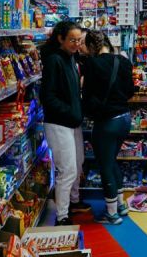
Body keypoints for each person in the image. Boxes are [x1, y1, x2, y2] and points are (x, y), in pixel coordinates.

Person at [81, 30, 136, 224]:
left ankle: (111, 213)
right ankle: (121, 205)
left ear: (91, 47)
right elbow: (130, 90)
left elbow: (87, 96)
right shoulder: (123, 61)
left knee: (105, 165)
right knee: (112, 161)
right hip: (124, 119)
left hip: (106, 122)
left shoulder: (91, 64)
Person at [39, 20, 90, 225]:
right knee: (67, 170)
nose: (77, 44)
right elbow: (48, 96)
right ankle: (62, 216)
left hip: (72, 122)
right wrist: (70, 112)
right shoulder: (54, 61)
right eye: (72, 40)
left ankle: (73, 201)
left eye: (79, 40)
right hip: (59, 123)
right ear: (60, 38)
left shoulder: (71, 58)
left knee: (77, 165)